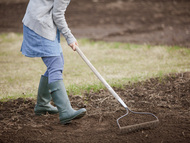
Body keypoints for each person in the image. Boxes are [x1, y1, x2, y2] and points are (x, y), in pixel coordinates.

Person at [20, 0, 86, 124]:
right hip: (39, 26)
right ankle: (66, 111)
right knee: (55, 64)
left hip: (37, 21)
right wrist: (69, 36)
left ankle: (43, 105)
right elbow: (58, 15)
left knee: (58, 61)